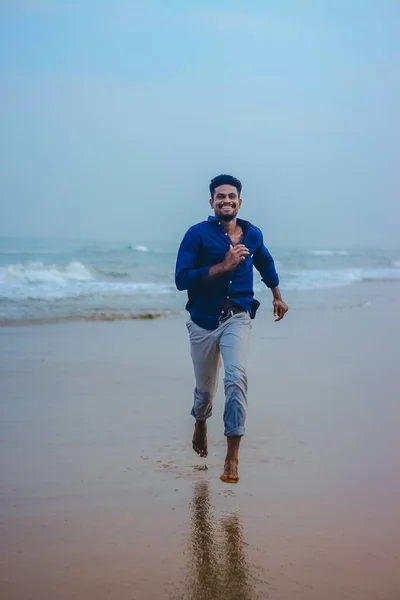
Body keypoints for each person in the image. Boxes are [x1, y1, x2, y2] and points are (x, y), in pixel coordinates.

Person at [175, 174, 288, 483]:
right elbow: (181, 279)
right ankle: (200, 421)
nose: (226, 200)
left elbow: (265, 262)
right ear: (212, 202)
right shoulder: (196, 235)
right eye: (220, 196)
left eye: (231, 196)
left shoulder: (253, 234)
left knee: (236, 378)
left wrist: (277, 296)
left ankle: (232, 457)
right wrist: (224, 266)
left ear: (240, 201)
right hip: (202, 322)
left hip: (238, 316)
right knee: (205, 393)